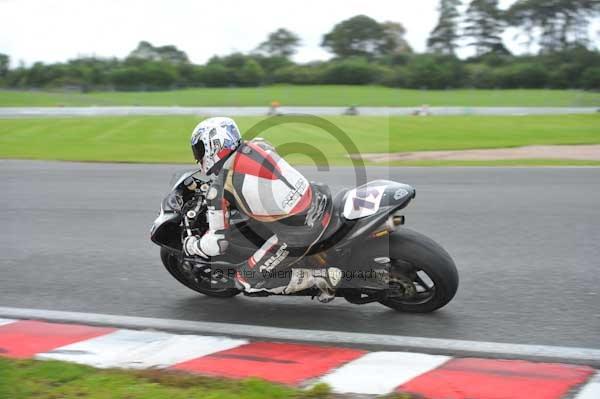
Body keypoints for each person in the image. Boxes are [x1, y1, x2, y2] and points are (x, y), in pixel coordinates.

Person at [183, 117, 341, 302]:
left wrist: (192, 245)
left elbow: (219, 244)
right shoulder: (259, 144)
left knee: (247, 281)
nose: (198, 156)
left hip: (300, 230)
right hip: (317, 195)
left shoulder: (219, 189)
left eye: (200, 149)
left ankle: (320, 277)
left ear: (214, 146)